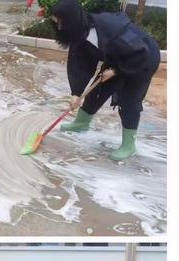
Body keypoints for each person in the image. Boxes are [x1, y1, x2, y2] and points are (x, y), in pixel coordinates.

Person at [51, 0, 160, 161]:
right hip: (117, 58)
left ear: (72, 20)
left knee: (129, 101)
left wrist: (116, 70)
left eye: (61, 23)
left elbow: (139, 53)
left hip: (142, 58)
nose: (59, 28)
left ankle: (129, 145)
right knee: (98, 88)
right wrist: (76, 93)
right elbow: (79, 64)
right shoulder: (80, 34)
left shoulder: (112, 29)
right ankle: (82, 123)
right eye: (56, 23)